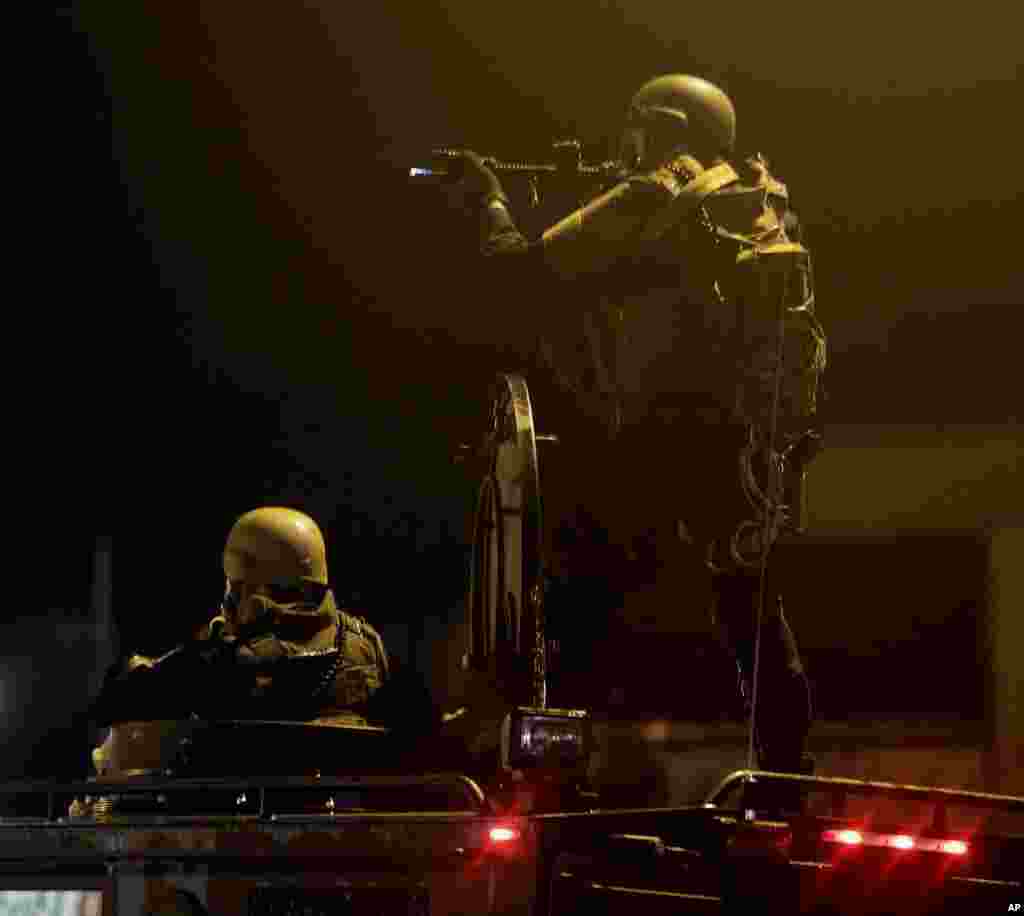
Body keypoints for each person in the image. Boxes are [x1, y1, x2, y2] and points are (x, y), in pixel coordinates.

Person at [448, 74, 825, 776]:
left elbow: (519, 277)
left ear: (666, 130)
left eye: (639, 128)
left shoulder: (657, 191)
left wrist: (490, 200)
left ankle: (565, 774)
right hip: (741, 447)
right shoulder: (759, 199)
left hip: (660, 436)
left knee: (570, 595)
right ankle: (785, 777)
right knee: (757, 620)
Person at [89, 507, 405, 774]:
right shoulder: (366, 645)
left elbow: (120, 701)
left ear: (247, 592)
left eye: (234, 586)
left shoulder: (224, 659)